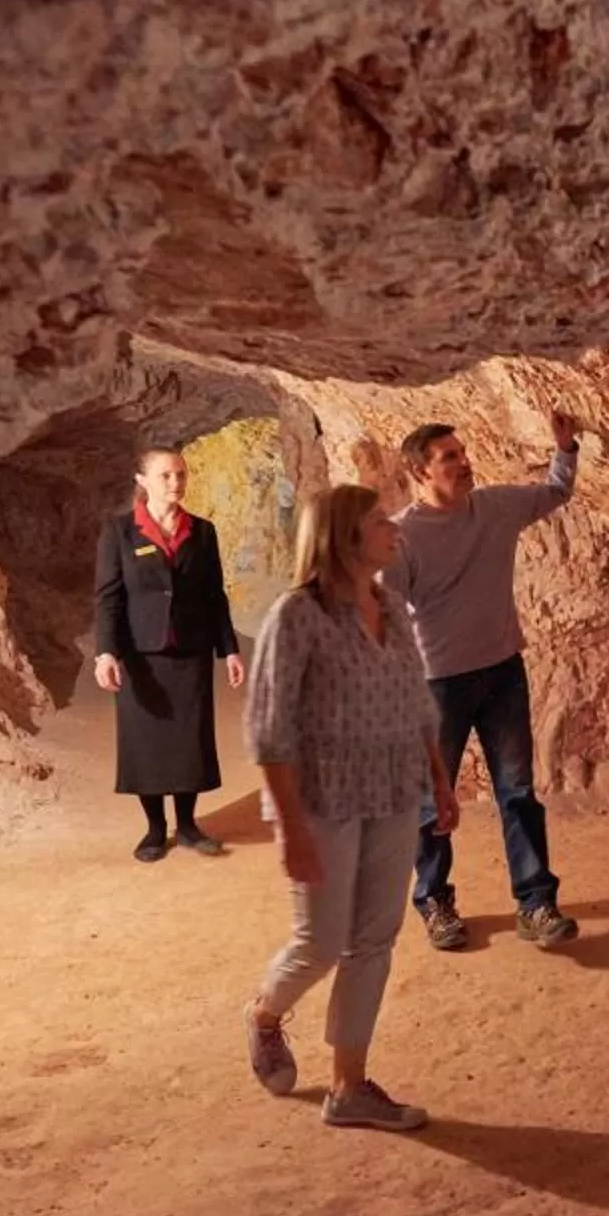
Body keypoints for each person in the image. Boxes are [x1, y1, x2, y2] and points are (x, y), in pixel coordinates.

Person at [242, 484, 460, 1131]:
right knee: (320, 942)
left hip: (394, 789)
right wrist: (288, 827)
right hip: (323, 797)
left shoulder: (391, 606)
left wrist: (441, 782)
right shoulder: (297, 615)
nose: (394, 528)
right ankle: (263, 1014)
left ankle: (350, 1087)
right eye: (378, 521)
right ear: (343, 537)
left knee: (374, 939)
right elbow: (269, 727)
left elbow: (420, 702)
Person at [387, 412, 586, 950]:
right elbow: (382, 611)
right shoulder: (403, 536)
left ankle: (537, 903)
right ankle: (434, 901)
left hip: (502, 670)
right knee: (433, 797)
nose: (463, 462)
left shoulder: (495, 507)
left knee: (518, 791)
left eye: (462, 452)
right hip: (436, 684)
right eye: (449, 457)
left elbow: (552, 493)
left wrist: (564, 448)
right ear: (419, 471)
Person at [92, 446, 244, 862]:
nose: (176, 482)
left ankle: (190, 825)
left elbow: (215, 596)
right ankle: (155, 830)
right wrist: (105, 653)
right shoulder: (119, 532)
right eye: (165, 476)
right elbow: (108, 599)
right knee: (147, 743)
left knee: (189, 740)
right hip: (140, 655)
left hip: (189, 650)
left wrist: (228, 649)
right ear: (142, 481)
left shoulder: (203, 531)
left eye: (180, 474)